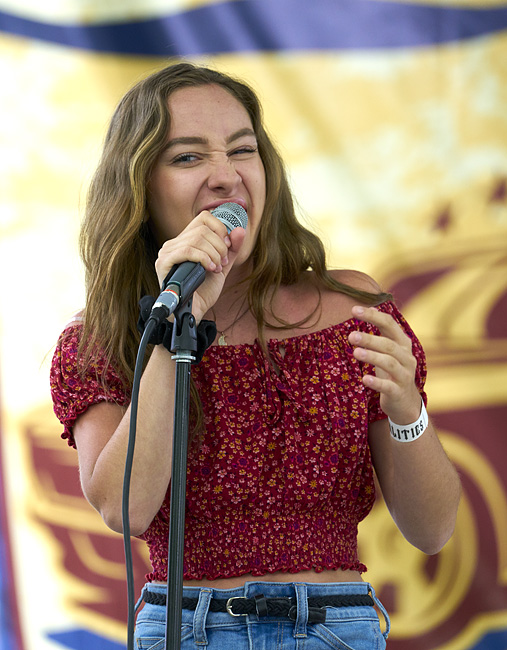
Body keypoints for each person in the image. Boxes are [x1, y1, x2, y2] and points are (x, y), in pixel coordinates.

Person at [50, 61, 461, 649]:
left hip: (333, 629)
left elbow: (432, 530)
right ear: (139, 187)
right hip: (185, 628)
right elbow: (126, 509)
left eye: (242, 150)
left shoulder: (351, 310)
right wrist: (177, 321)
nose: (226, 177)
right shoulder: (102, 340)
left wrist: (407, 413)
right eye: (188, 157)